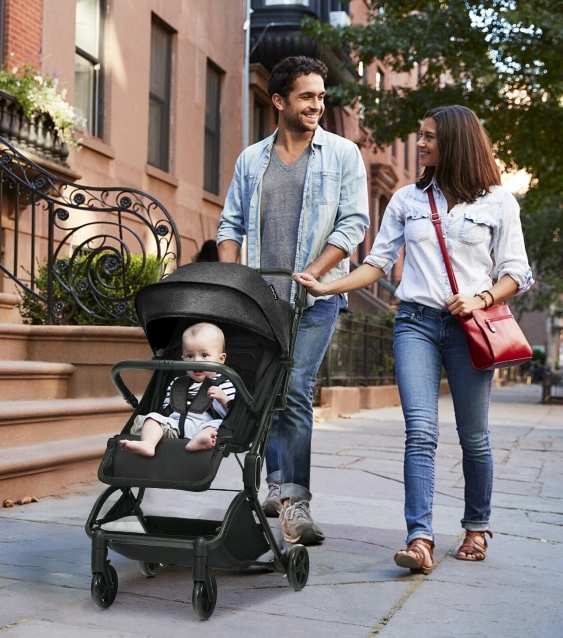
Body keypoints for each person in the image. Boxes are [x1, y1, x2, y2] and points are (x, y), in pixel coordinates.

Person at [294, 105, 533, 571]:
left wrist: (481, 297)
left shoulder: (498, 202)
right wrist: (327, 285)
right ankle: (419, 538)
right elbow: (376, 263)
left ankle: (476, 527)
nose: (420, 144)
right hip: (416, 324)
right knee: (420, 432)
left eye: (428, 137)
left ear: (456, 144)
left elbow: (517, 273)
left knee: (474, 437)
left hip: (469, 329)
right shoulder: (407, 200)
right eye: (419, 135)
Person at [217, 56, 369, 544]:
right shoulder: (251, 159)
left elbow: (354, 224)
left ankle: (294, 501)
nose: (317, 105)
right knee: (268, 393)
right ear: (279, 100)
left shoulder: (343, 155)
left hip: (317, 298)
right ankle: (276, 486)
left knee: (295, 389)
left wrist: (317, 273)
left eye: (321, 97)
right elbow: (230, 225)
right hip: (262, 299)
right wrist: (231, 278)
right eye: (307, 96)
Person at [119, 322, 235, 456]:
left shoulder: (224, 384)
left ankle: (199, 441)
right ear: (182, 359)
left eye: (204, 355)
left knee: (218, 424)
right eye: (190, 356)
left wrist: (223, 398)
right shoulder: (177, 383)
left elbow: (233, 415)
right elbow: (166, 409)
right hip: (175, 426)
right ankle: (148, 444)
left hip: (203, 426)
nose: (196, 361)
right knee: (153, 418)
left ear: (221, 359)